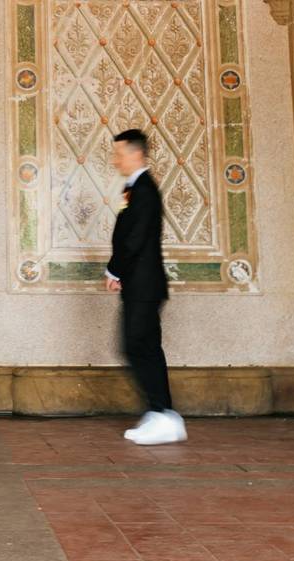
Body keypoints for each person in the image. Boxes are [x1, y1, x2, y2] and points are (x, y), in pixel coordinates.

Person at [105, 129, 187, 446]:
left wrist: (114, 270)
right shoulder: (137, 189)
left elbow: (135, 238)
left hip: (143, 285)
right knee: (145, 348)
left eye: (119, 154)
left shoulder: (144, 191)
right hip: (142, 285)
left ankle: (163, 414)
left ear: (136, 154)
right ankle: (162, 415)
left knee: (137, 346)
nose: (116, 160)